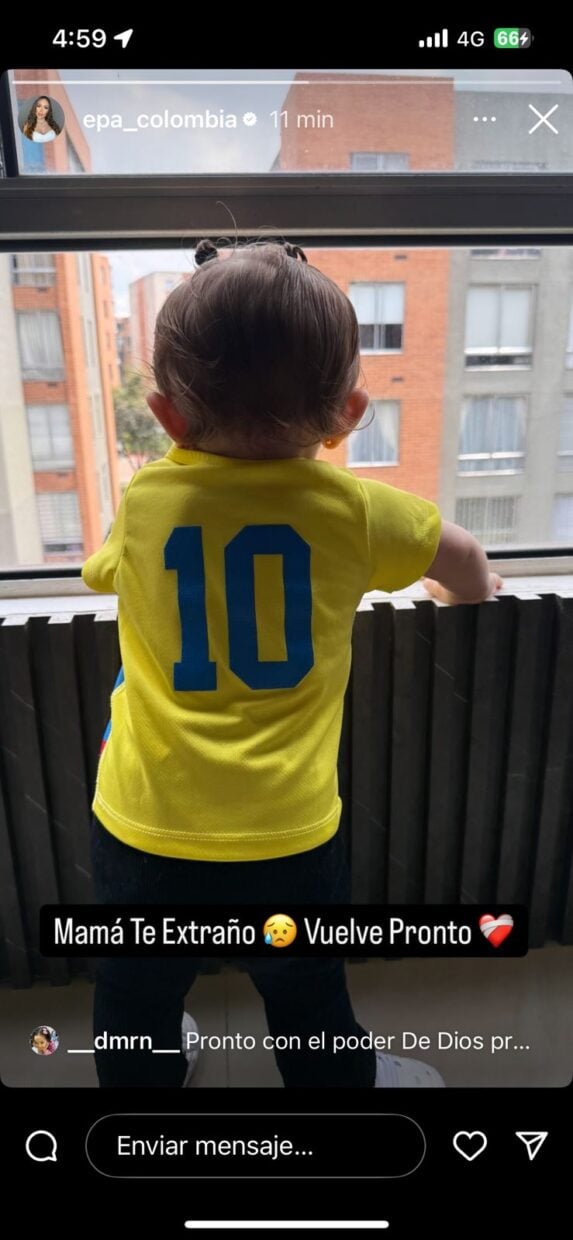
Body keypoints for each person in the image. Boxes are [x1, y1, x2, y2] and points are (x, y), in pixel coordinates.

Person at [82, 238, 503, 1089]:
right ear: (348, 414)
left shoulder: (145, 501)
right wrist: (466, 596)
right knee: (306, 992)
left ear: (165, 415)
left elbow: (100, 573)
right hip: (288, 834)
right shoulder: (355, 510)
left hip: (142, 823)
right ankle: (338, 1093)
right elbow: (466, 567)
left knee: (134, 995)